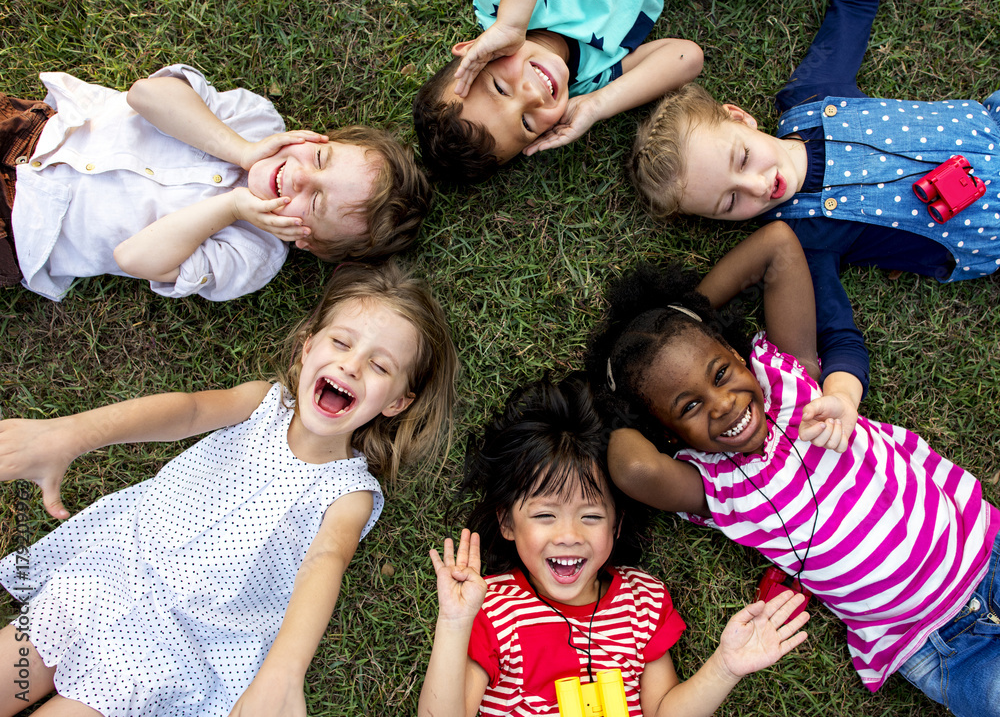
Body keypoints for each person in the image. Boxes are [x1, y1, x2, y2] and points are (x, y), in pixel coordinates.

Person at [0, 261, 458, 716]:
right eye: (340, 341)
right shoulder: (262, 403)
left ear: (397, 402)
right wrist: (70, 434)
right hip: (109, 572)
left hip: (172, 648)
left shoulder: (350, 493)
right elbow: (189, 411)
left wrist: (284, 672)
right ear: (307, 347)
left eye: (380, 365)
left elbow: (325, 563)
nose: (351, 365)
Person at [586, 221, 1000, 715]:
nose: (722, 404)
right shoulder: (714, 487)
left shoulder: (791, 380)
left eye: (721, 373)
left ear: (740, 356)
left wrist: (683, 318)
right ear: (671, 436)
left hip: (985, 548)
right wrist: (613, 404)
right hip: (931, 644)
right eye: (689, 407)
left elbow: (778, 245)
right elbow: (632, 468)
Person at [630, 0, 1000, 410]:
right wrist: (842, 396)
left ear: (739, 117)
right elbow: (837, 333)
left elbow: (854, 4)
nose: (758, 185)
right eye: (730, 201)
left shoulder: (813, 94)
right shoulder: (804, 243)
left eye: (742, 157)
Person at [418, 375, 808, 717]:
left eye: (590, 516)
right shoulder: (491, 608)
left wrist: (725, 666)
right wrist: (454, 623)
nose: (569, 534)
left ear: (618, 523)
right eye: (544, 516)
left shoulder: (643, 601)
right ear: (507, 522)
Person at [0, 64, 430, 301]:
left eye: (314, 203)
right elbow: (145, 95)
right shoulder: (255, 120)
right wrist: (239, 150)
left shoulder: (252, 255)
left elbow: (133, 257)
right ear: (319, 136)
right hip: (35, 131)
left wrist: (231, 207)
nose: (299, 175)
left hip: (23, 231)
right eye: (320, 158)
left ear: (308, 241)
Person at [412, 0, 703, 184]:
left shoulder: (499, 3)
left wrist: (512, 22)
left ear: (473, 50)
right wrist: (598, 104)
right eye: (526, 123)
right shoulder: (590, 81)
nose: (532, 97)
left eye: (500, 88)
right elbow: (687, 57)